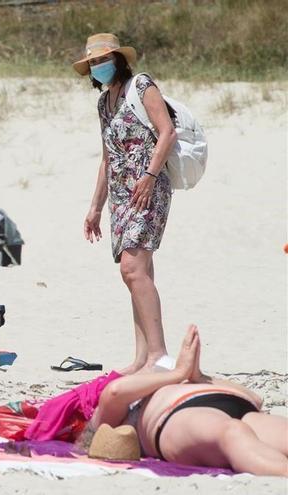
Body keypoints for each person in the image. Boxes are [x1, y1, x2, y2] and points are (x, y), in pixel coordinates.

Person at [75, 33, 178, 374]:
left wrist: (149, 175)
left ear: (118, 59)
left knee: (132, 269)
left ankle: (159, 354)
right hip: (121, 194)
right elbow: (108, 158)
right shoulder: (104, 103)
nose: (98, 66)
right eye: (93, 63)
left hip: (148, 185)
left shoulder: (142, 86)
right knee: (139, 272)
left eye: (103, 60)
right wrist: (95, 206)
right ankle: (143, 355)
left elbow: (166, 132)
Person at [80, 325, 288, 476]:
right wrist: (177, 374)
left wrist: (199, 376)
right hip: (176, 415)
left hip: (236, 404)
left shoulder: (177, 378)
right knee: (232, 433)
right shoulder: (111, 420)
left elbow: (255, 398)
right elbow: (114, 392)